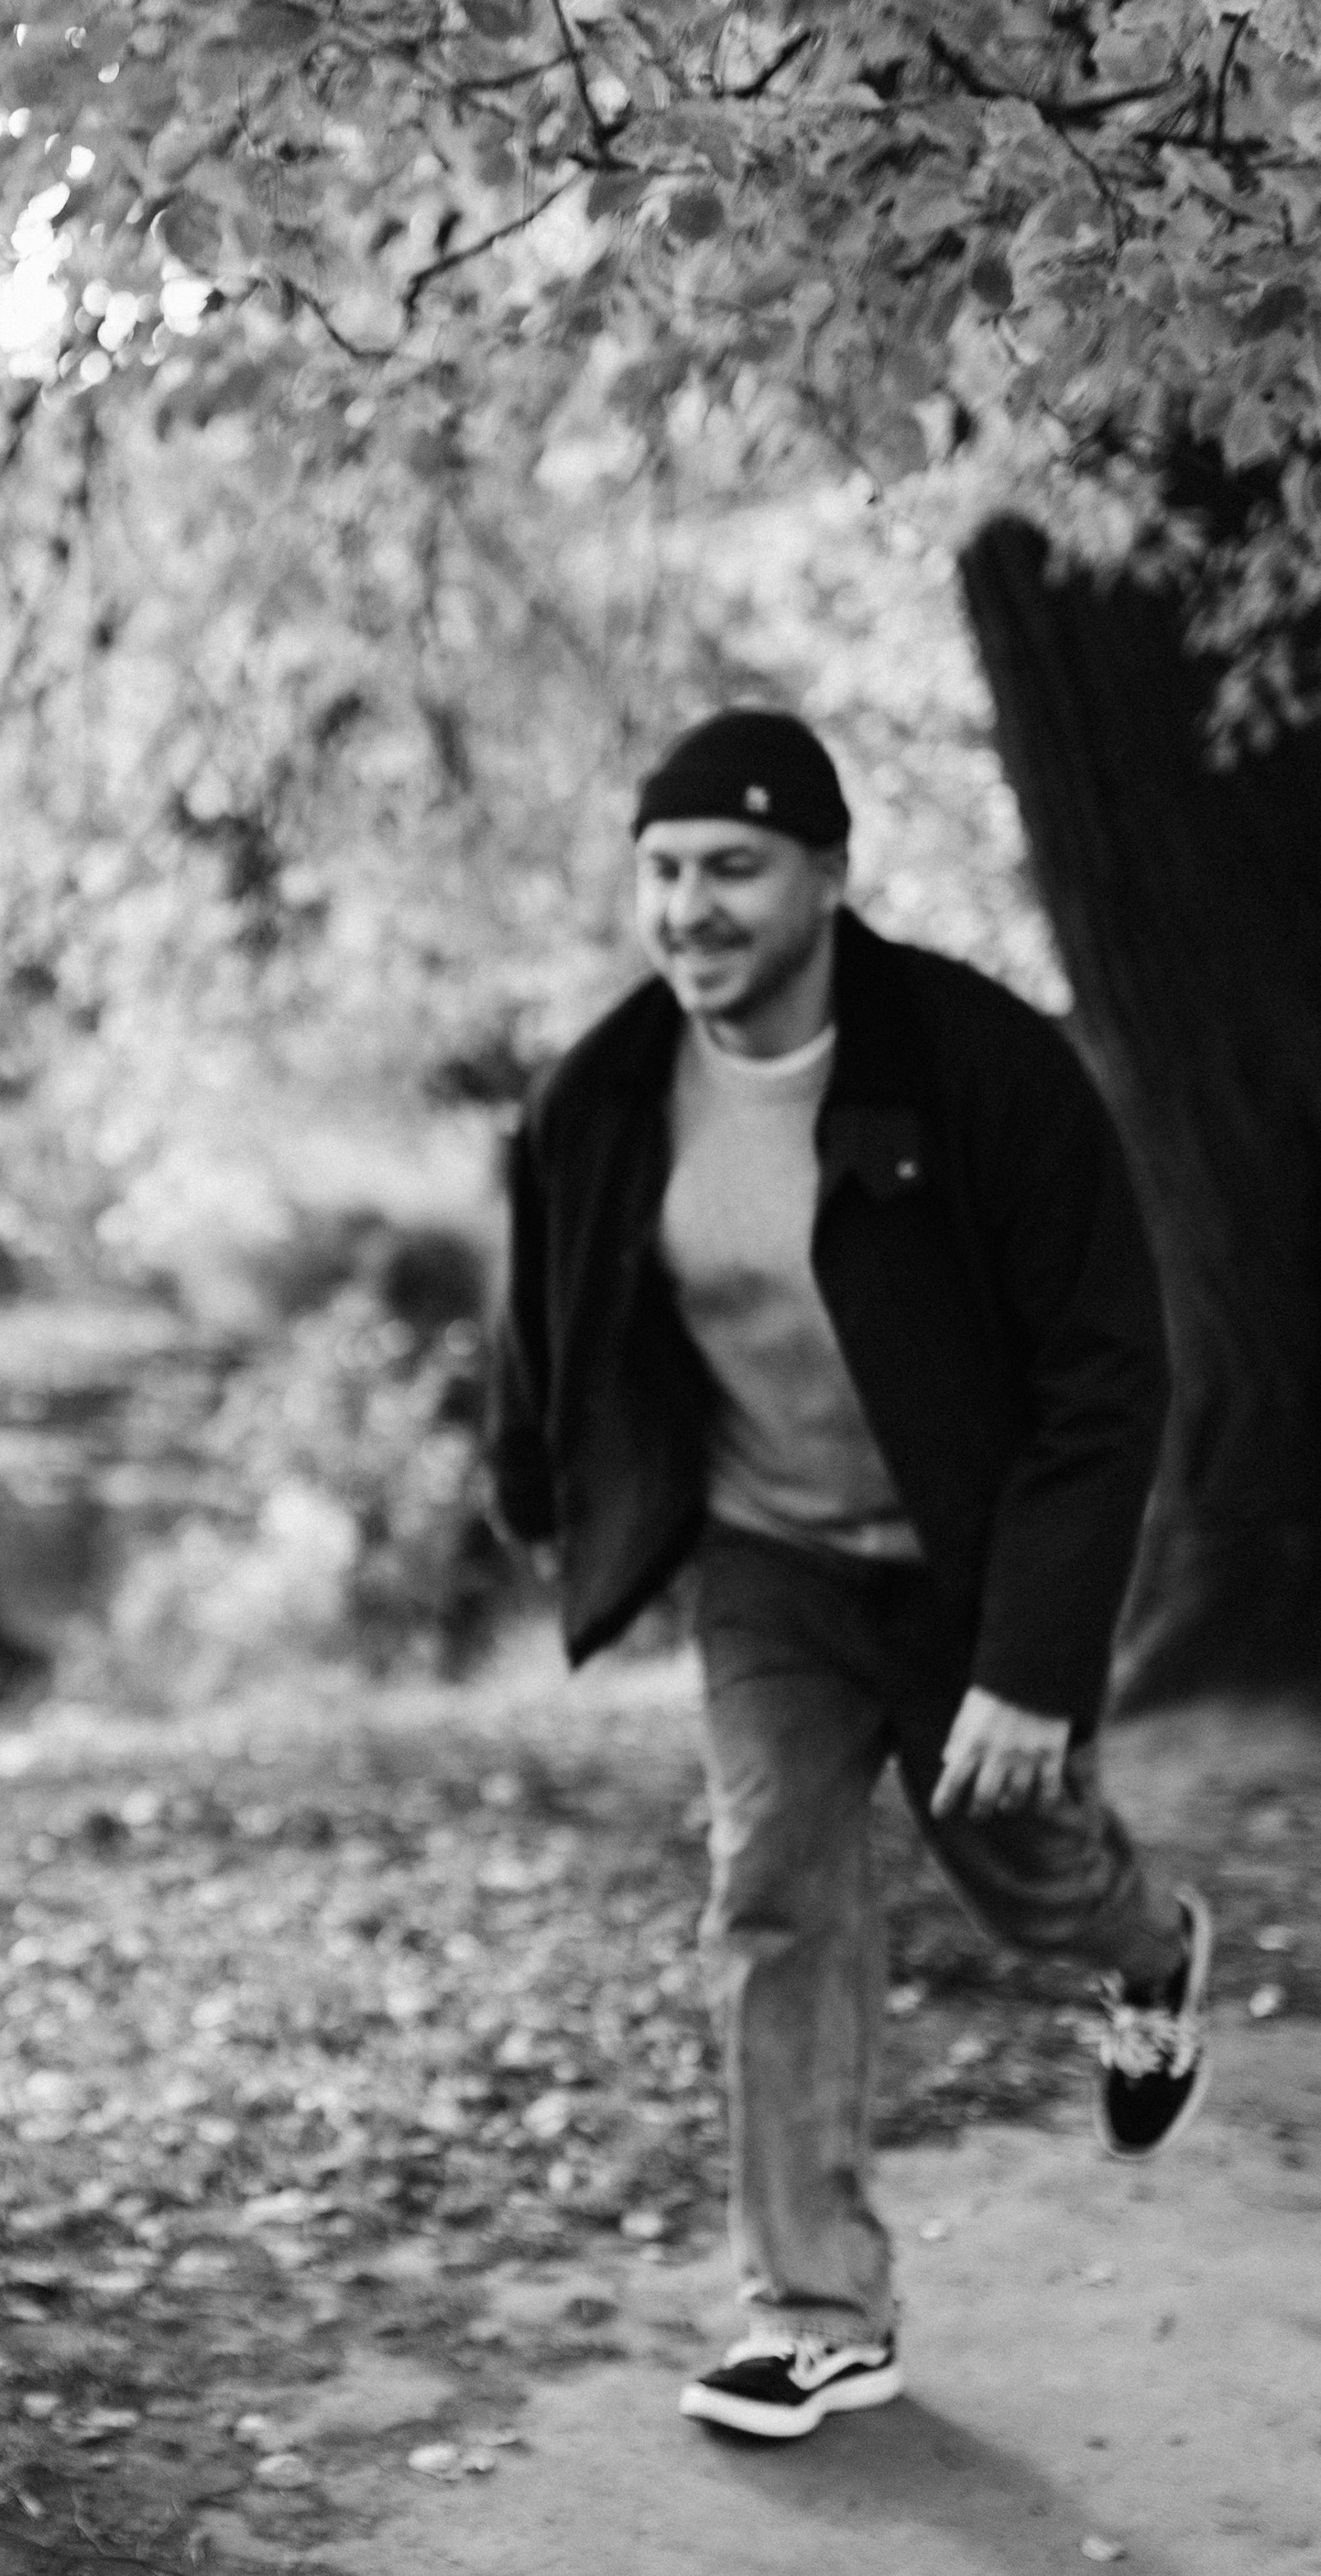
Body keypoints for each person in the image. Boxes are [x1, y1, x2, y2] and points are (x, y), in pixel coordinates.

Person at [489, 707, 1208, 2443]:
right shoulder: (602, 1091)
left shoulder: (981, 1067)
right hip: (772, 1561)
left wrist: (1035, 1666)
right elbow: (554, 1309)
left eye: (732, 869)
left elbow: (1106, 1377)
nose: (690, 909)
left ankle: (1151, 1952)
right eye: (662, 871)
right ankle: (816, 2311)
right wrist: (539, 1489)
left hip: (972, 1567)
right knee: (777, 1883)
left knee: (1028, 1873)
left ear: (826, 875)